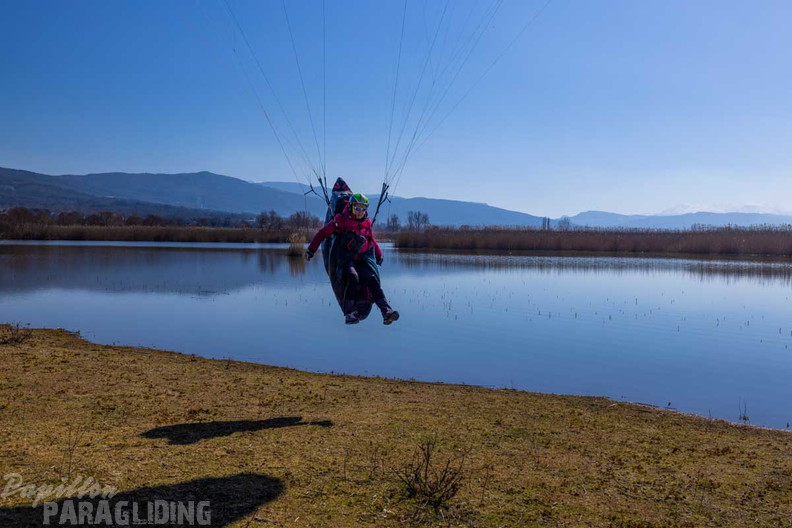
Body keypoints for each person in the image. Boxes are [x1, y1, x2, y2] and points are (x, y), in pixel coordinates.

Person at [304, 193, 400, 326]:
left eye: (363, 209)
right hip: (346, 260)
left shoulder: (367, 223)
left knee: (372, 279)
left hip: (363, 260)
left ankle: (386, 312)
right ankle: (349, 313)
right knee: (353, 277)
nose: (360, 212)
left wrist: (378, 254)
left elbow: (371, 240)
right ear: (351, 207)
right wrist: (311, 250)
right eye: (357, 208)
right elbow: (322, 234)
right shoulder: (340, 221)